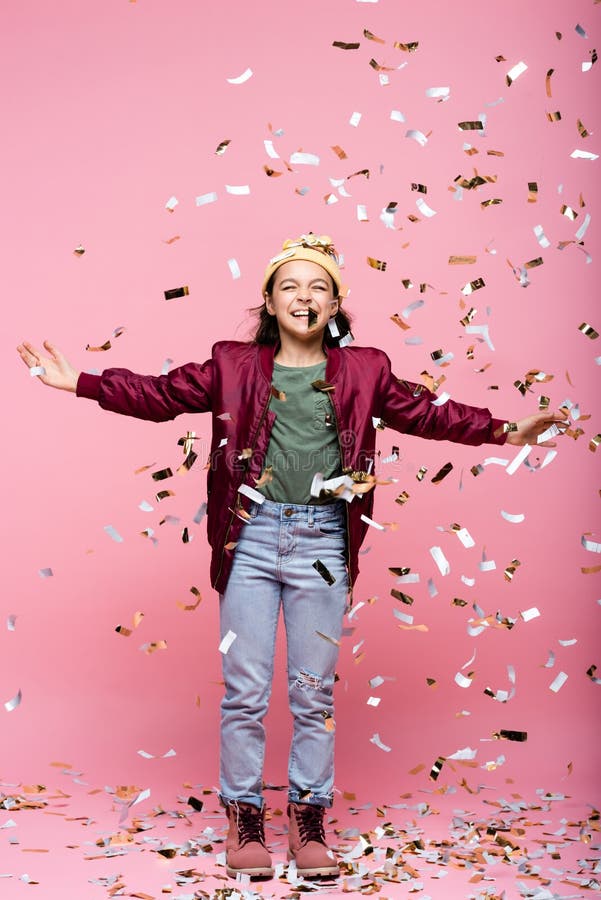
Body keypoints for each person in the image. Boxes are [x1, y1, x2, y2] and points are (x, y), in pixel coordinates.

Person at [16, 234, 567, 881]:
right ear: (270, 302)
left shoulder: (366, 369)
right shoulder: (232, 364)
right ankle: (244, 815)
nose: (303, 297)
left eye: (317, 287)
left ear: (334, 301)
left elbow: (428, 413)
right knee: (245, 693)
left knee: (312, 694)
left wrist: (505, 430)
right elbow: (160, 395)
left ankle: (308, 819)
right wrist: (78, 382)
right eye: (289, 287)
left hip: (323, 545)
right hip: (248, 539)